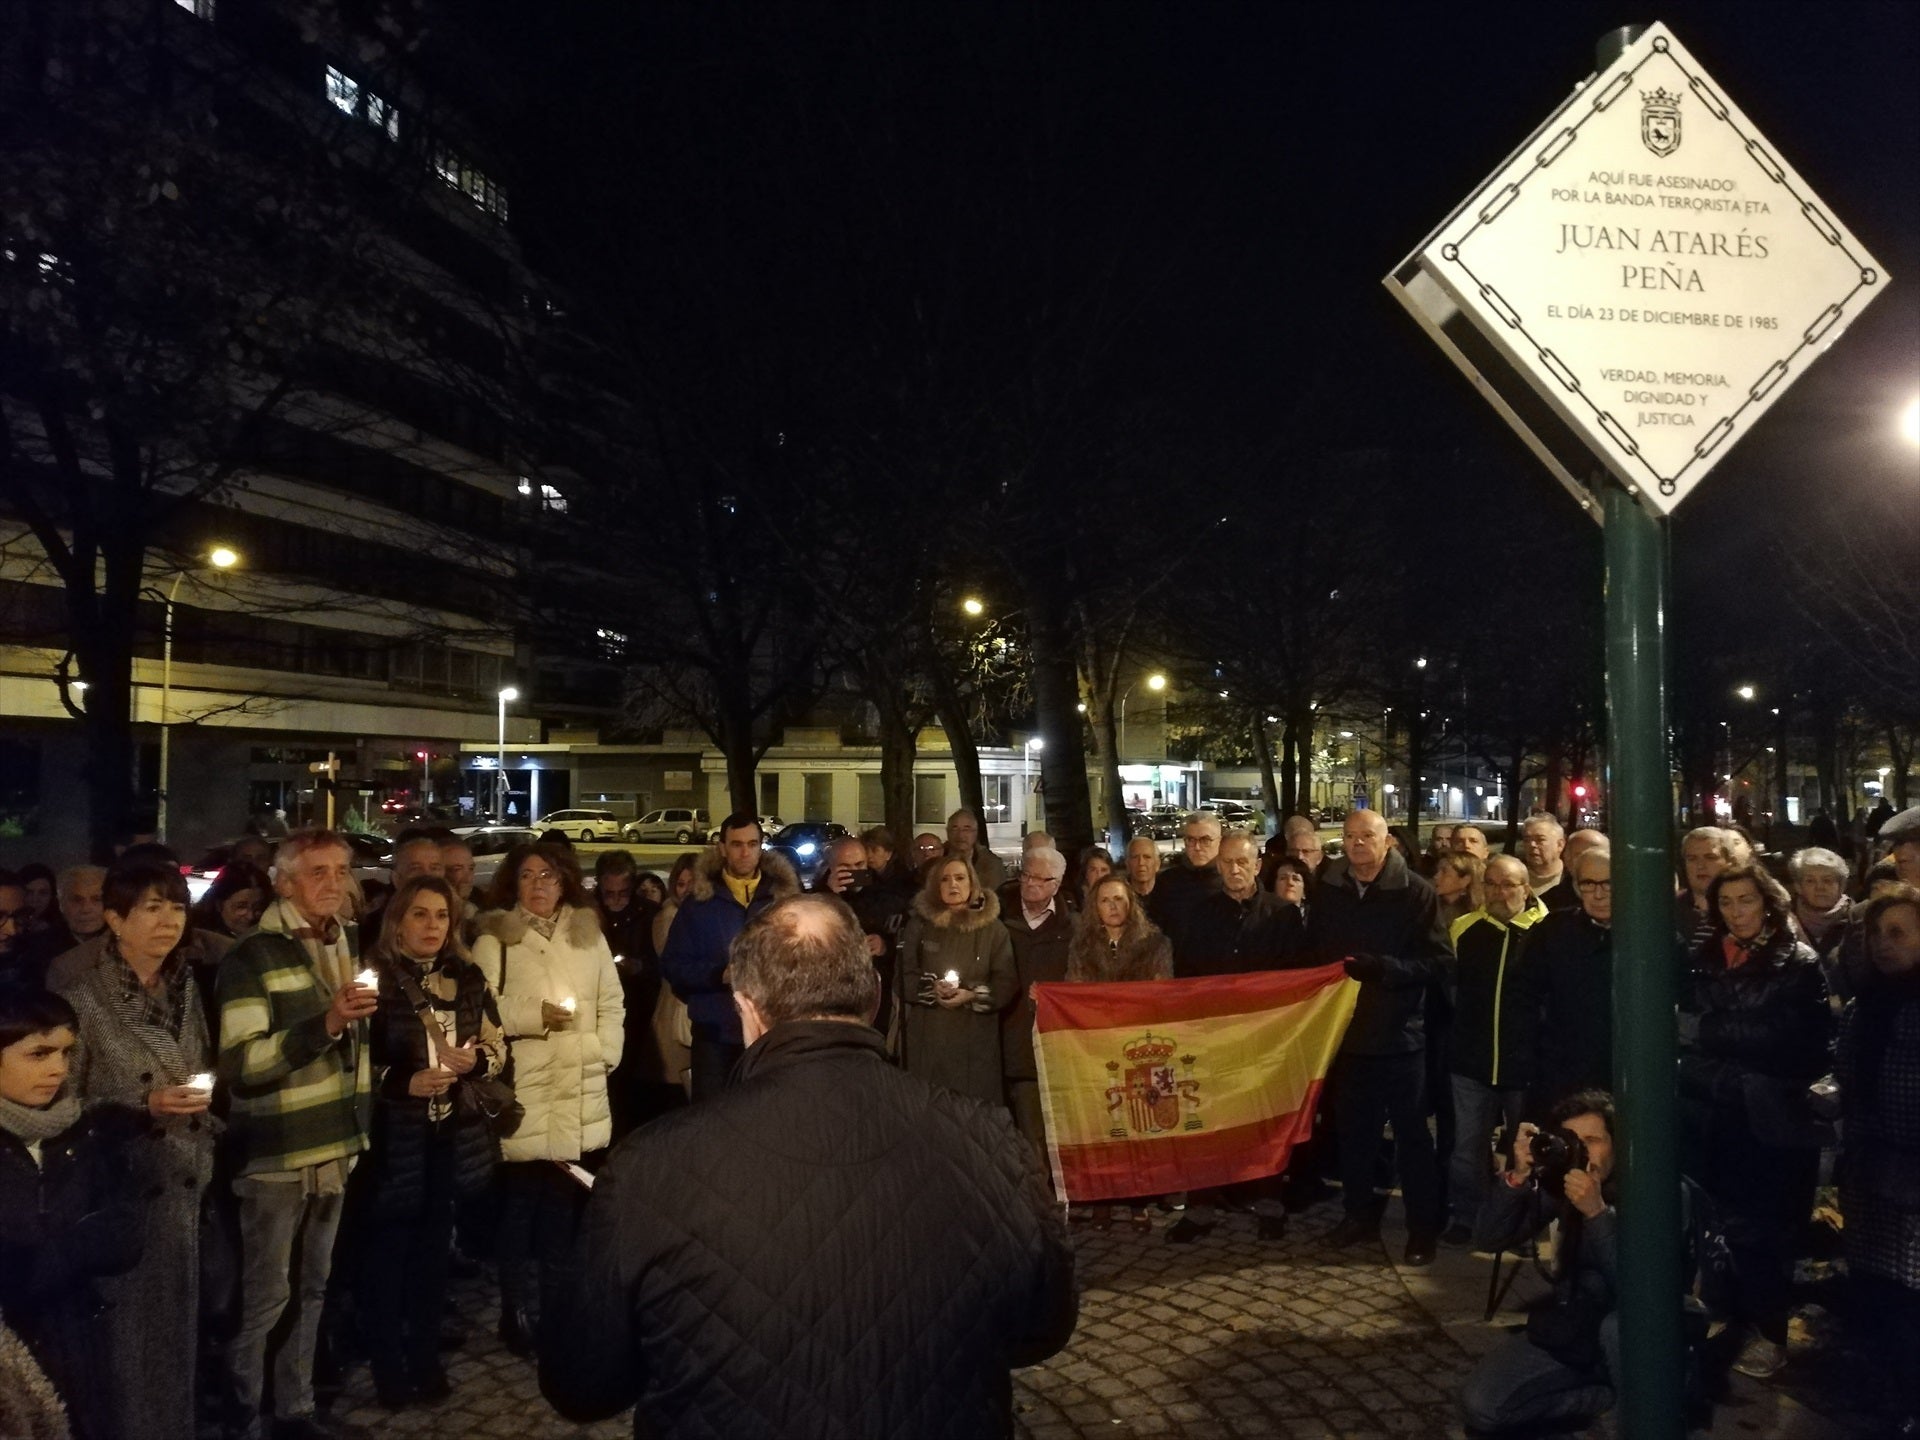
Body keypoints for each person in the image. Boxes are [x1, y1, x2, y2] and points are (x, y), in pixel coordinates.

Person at [539, 895, 1077, 1437]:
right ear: (874, 997)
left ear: (746, 1008)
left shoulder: (652, 1165)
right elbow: (1043, 1323)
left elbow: (584, 1382)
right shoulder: (988, 1137)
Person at [215, 830, 378, 1440]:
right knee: (265, 1297)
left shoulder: (345, 941)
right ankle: (243, 1418)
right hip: (278, 1153)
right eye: (317, 872)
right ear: (283, 883)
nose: (333, 883)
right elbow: (244, 1065)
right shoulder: (253, 955)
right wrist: (327, 1021)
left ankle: (295, 1410)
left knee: (312, 1288)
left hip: (335, 1144)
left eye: (341, 871)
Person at [55, 859, 217, 1440]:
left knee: (178, 1336)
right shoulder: (82, 998)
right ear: (114, 919)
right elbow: (59, 1105)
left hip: (186, 1179)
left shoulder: (183, 986)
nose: (169, 920)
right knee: (128, 1347)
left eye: (177, 906)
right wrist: (140, 1106)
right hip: (124, 1191)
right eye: (152, 907)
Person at [357, 876, 506, 1408]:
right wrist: (402, 1082)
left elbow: (495, 1041)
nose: (432, 926)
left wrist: (478, 1062)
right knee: (388, 1256)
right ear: (398, 920)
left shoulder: (467, 976)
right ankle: (388, 1369)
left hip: (448, 1134)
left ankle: (424, 1359)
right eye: (420, 915)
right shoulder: (375, 981)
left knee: (430, 1259)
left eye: (441, 916)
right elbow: (353, 1061)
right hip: (394, 1139)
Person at [1678, 863, 1831, 1379]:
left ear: (1767, 902)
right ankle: (1724, 1320)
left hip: (1771, 1120)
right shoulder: (1702, 958)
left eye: (1746, 900)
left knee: (1767, 1232)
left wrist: (1705, 1031)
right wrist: (1713, 1042)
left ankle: (1768, 1334)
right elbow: (1684, 1033)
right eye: (1726, 902)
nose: (1737, 912)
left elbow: (1787, 1039)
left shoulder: (1799, 961)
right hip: (1714, 1111)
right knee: (1717, 1226)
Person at [471, 842, 625, 1356]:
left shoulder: (586, 934)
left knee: (563, 1209)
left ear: (565, 882)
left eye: (549, 876)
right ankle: (515, 1311)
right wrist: (531, 1013)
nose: (539, 885)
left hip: (576, 1082)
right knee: (520, 1208)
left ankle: (555, 1309)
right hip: (527, 1087)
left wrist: (605, 1052)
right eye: (529, 876)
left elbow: (610, 999)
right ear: (513, 883)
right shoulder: (497, 937)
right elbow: (482, 1008)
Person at [0, 988, 146, 1440]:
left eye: (65, 1052)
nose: (58, 1069)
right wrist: (74, 1246)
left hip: (76, 1337)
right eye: (38, 1053)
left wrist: (57, 1253)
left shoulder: (81, 1132)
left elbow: (124, 1234)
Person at [1312, 808, 1448, 1265]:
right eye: (1349, 837)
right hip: (1347, 1036)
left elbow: (1440, 963)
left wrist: (1386, 970)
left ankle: (1421, 1229)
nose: (1357, 844)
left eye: (1366, 836)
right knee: (1355, 1136)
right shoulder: (1330, 890)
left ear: (1387, 841)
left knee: (1412, 1139)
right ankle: (1358, 1215)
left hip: (1400, 1036)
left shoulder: (1416, 893)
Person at [1458, 1092, 1622, 1437]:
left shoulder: (1650, 1192)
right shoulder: (1564, 1185)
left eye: (1593, 1140)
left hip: (1627, 1338)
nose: (1583, 1150)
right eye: (1573, 1140)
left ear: (1617, 1145)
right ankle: (1599, 1399)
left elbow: (1641, 1290)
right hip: (1574, 1330)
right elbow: (1488, 1238)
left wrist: (1596, 1213)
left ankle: (1634, 1403)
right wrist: (1516, 1176)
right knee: (1481, 1405)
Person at [1834, 883, 1920, 1435]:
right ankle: (1894, 1389)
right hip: (1871, 1171)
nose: (1884, 945)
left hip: (1913, 1174)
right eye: (1876, 935)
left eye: (1898, 934)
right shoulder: (1867, 1004)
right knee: (1882, 1293)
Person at [1441, 855, 1548, 1245]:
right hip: (1471, 1061)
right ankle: (1467, 1217)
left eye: (1510, 884)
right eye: (1493, 884)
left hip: (1526, 1065)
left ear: (1526, 887)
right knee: (1467, 1151)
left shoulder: (1546, 931)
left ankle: (1524, 1227)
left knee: (1529, 1153)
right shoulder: (1463, 929)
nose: (1501, 893)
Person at [659, 816, 799, 1100]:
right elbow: (674, 966)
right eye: (736, 845)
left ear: (762, 847)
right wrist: (717, 975)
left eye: (752, 844)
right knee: (713, 1119)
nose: (745, 853)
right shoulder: (699, 903)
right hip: (715, 1034)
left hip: (770, 1031)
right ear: (722, 848)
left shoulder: (782, 899)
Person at [1065, 876, 1172, 1233]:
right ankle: (1101, 1199)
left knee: (1137, 1125)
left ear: (1132, 904)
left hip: (1139, 1046)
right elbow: (1075, 993)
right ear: (1095, 907)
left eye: (1120, 900)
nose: (1114, 906)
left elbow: (1159, 994)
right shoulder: (1082, 946)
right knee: (1100, 1125)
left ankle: (1138, 1199)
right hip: (1095, 1047)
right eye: (1106, 900)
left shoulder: (1154, 943)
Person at [894, 855, 1017, 1107]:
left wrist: (973, 995)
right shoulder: (919, 926)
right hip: (928, 1041)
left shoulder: (993, 930)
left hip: (975, 1043)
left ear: (972, 883)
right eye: (945, 879)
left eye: (960, 878)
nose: (953, 885)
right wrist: (930, 989)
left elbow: (1006, 982)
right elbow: (903, 977)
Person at [1526, 843, 1616, 1116]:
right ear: (1576, 888)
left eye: (1608, 884)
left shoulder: (1654, 934)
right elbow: (1524, 996)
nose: (1598, 894)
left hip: (1627, 1075)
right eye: (1589, 884)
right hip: (1563, 1075)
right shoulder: (1551, 932)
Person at [1000, 845, 1071, 1163]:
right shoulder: (999, 918)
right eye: (1025, 875)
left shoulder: (1072, 927)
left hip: (1056, 1043)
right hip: (1011, 1039)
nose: (1030, 884)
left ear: (1056, 884)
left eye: (1040, 879)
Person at [1153, 812, 1224, 963]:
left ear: (1220, 841)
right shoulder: (1167, 883)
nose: (1197, 847)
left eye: (1205, 840)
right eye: (1191, 840)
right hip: (1177, 975)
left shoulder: (1231, 882)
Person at [1676, 825, 1737, 952]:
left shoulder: (1745, 909)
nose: (1700, 866)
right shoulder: (1668, 911)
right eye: (1692, 859)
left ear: (1730, 862)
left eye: (1710, 857)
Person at [192, 861, 272, 939]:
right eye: (241, 907)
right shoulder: (203, 943)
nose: (250, 916)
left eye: (258, 908)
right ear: (219, 905)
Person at [1520, 815, 1577, 912]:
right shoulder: (1513, 879)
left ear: (1560, 845)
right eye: (1527, 840)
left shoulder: (1574, 882)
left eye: (1540, 840)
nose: (1532, 845)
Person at [649, 851, 700, 958]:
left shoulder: (715, 911)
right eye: (681, 884)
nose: (687, 890)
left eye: (692, 883)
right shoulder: (668, 917)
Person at [946, 807, 1006, 891]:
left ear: (976, 833)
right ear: (948, 832)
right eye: (955, 828)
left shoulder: (991, 864)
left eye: (966, 829)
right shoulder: (938, 859)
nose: (960, 835)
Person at [1431, 850, 1484, 931]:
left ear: (1465, 880)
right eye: (1437, 871)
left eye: (1444, 872)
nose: (1436, 876)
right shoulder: (1429, 908)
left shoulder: (1476, 917)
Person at [1074, 845, 1113, 912]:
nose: (1099, 875)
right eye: (1093, 870)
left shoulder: (1120, 895)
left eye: (1103, 870)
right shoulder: (1075, 900)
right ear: (1086, 873)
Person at [1125, 834, 1162, 904]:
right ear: (1127, 864)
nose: (1141, 863)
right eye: (1135, 857)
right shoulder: (1120, 895)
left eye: (1147, 857)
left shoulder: (1170, 893)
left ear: (1157, 864)